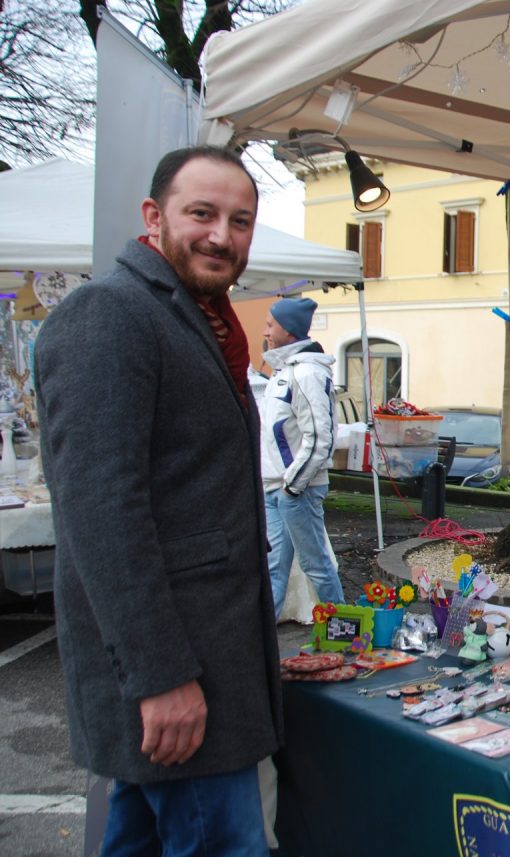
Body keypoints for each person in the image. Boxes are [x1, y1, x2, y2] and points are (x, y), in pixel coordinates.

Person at [35, 147, 283, 854]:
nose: (221, 235)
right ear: (154, 217)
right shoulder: (108, 314)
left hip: (207, 669)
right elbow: (101, 516)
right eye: (201, 213)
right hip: (177, 680)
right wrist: (161, 677)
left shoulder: (199, 318)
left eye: (240, 220)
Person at [258, 296, 344, 617]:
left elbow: (321, 436)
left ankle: (346, 636)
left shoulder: (306, 373)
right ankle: (260, 649)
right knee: (273, 571)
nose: (265, 329)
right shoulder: (285, 371)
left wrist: (293, 486)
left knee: (316, 566)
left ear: (290, 331)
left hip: (296, 489)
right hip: (275, 489)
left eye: (271, 324)